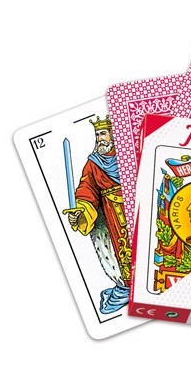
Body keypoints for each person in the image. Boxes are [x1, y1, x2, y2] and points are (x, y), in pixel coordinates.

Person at [62, 116, 131, 313]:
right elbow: (86, 191)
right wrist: (80, 213)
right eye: (97, 135)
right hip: (111, 217)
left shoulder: (130, 154)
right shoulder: (93, 164)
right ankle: (125, 288)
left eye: (103, 134)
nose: (100, 139)